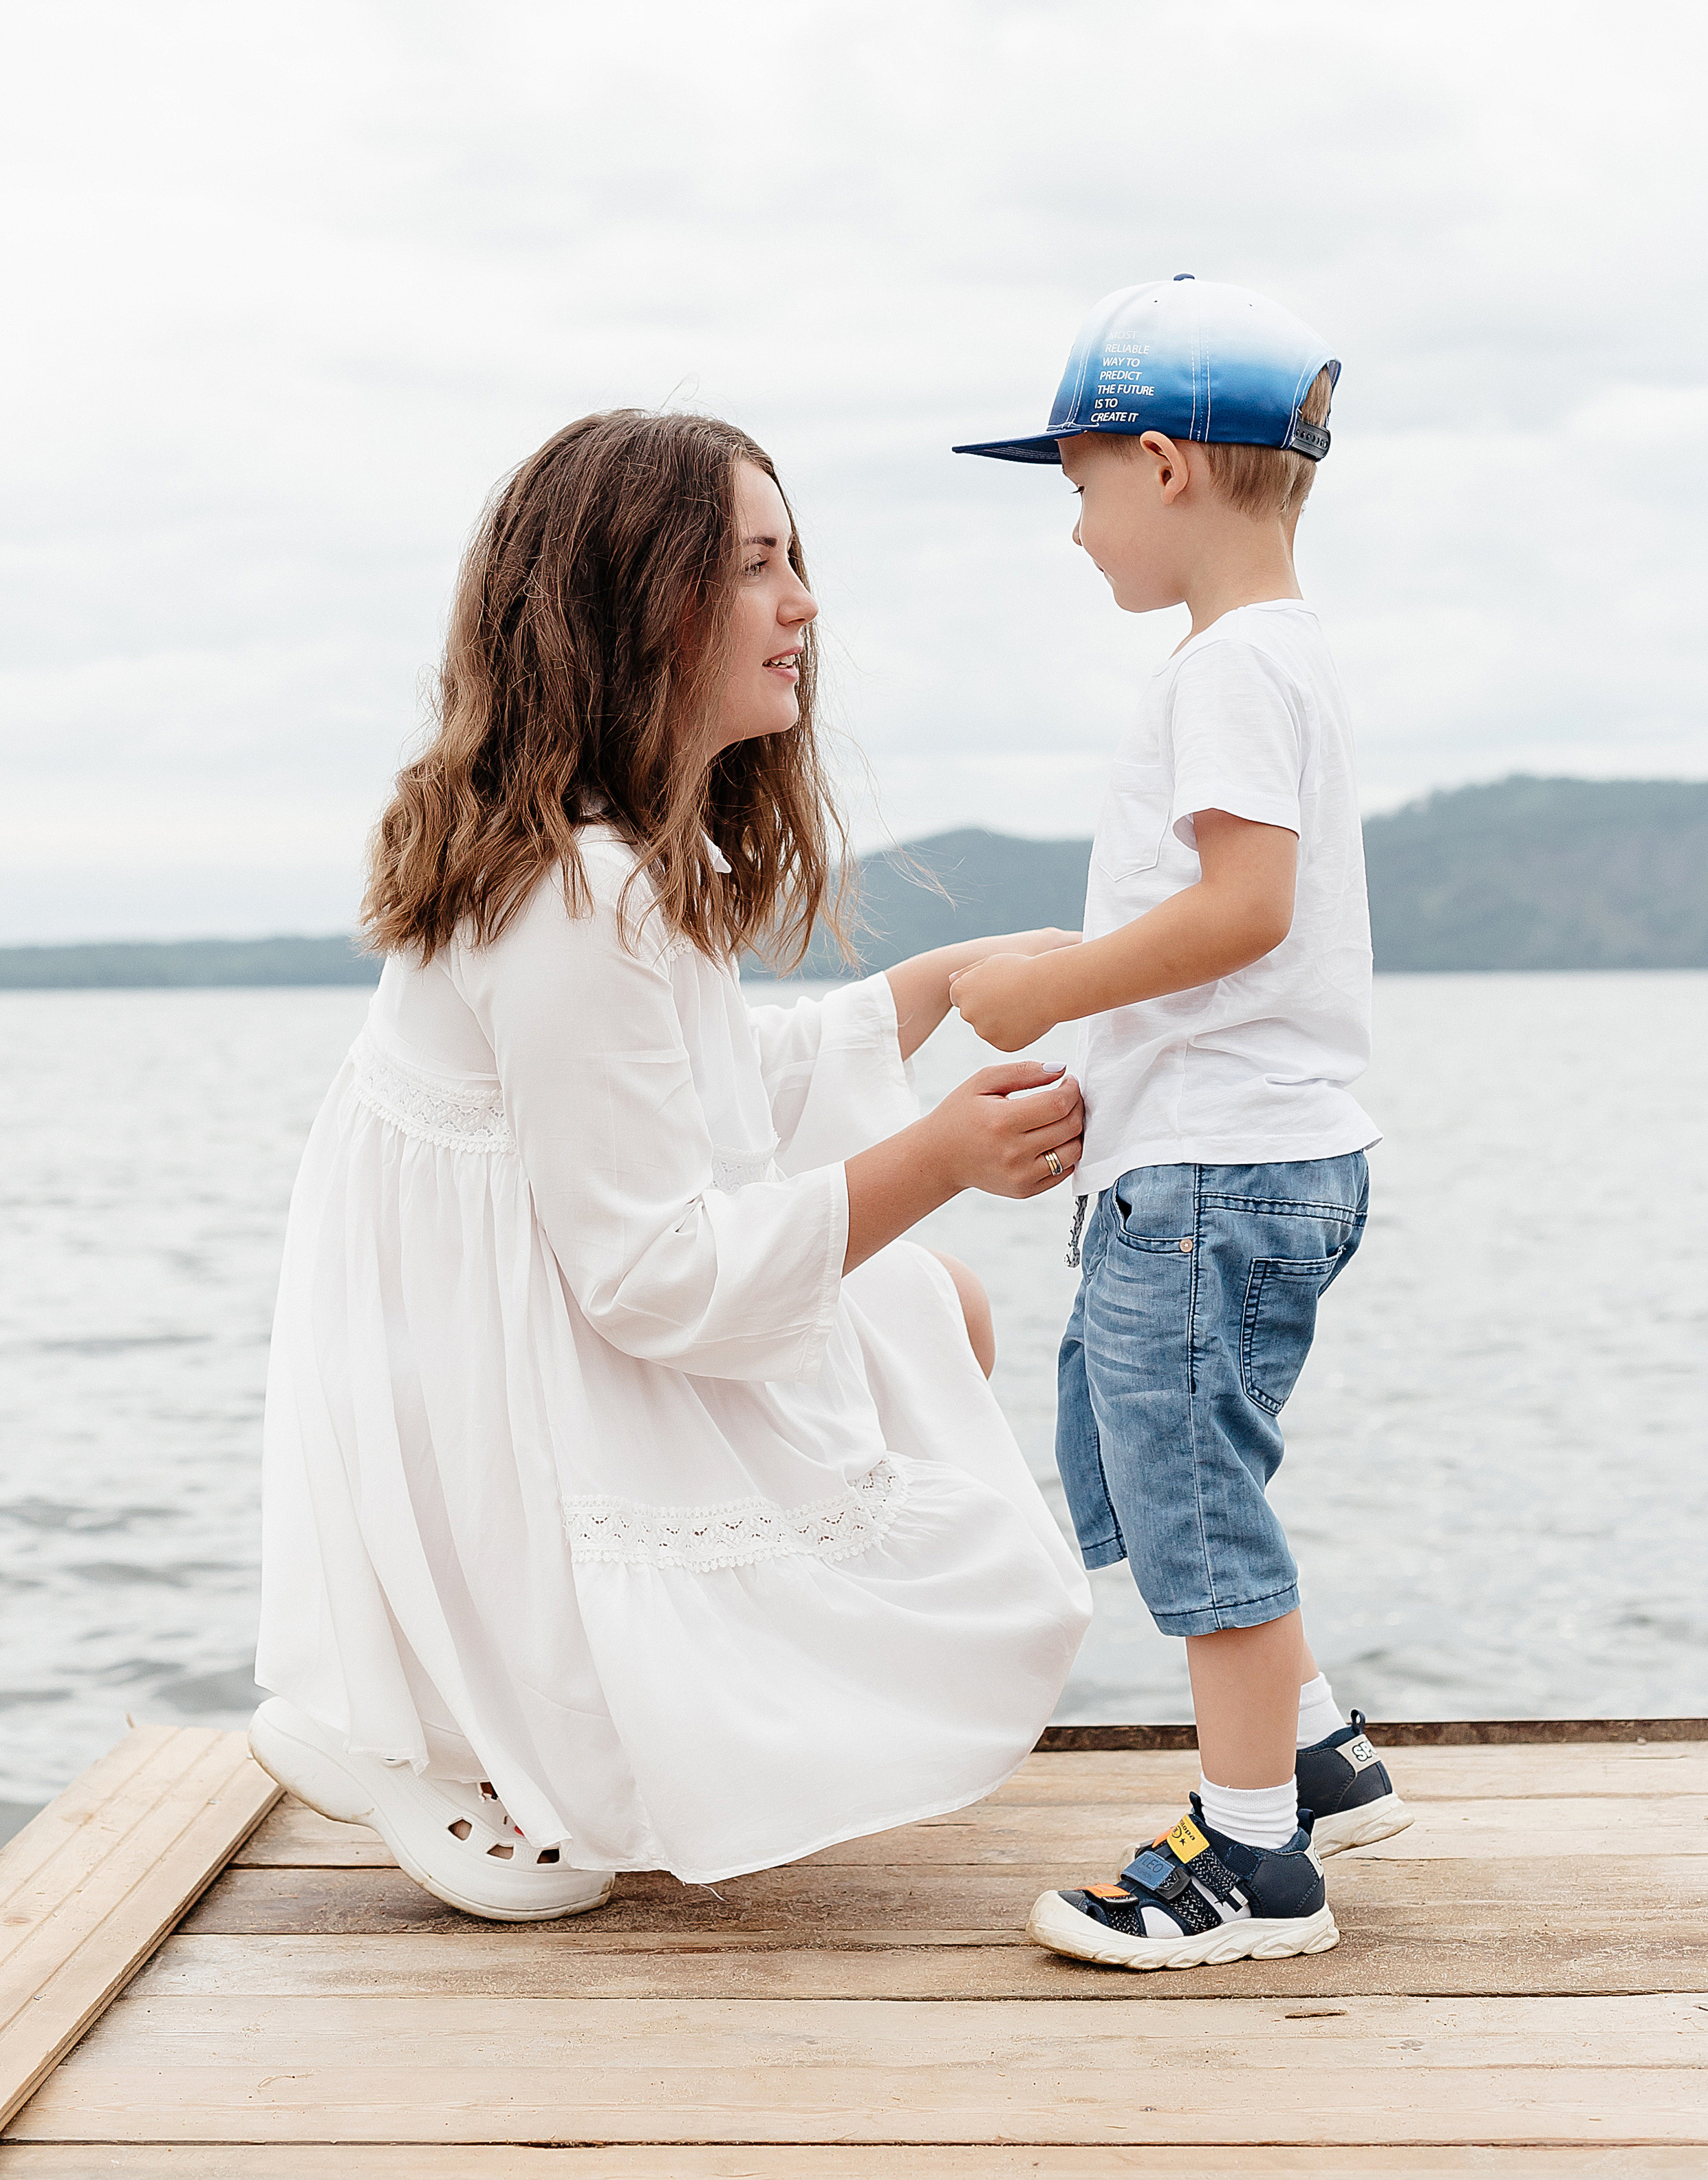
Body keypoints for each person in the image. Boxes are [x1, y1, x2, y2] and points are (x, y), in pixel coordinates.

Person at [249, 407, 1092, 1920]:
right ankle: (452, 1729)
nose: (805, 605)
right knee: (925, 1317)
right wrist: (946, 1154)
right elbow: (652, 1273)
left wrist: (933, 987)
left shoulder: (619, 859)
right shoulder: (581, 898)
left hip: (515, 1328)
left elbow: (691, 1092)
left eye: (794, 561)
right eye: (760, 566)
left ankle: (489, 1717)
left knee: (925, 1313)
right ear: (649, 606)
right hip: (498, 1377)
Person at [949, 277, 1409, 1972]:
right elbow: (1229, 928)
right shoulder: (1277, 657)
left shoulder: (1223, 670)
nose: (1073, 531)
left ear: (1163, 468)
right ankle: (1317, 1748)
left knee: (1198, 1510)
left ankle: (1254, 1859)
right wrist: (1103, 1025)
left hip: (1219, 1168)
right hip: (1226, 1151)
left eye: (1075, 487)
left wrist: (1059, 990)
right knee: (1129, 1464)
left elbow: (1243, 910)